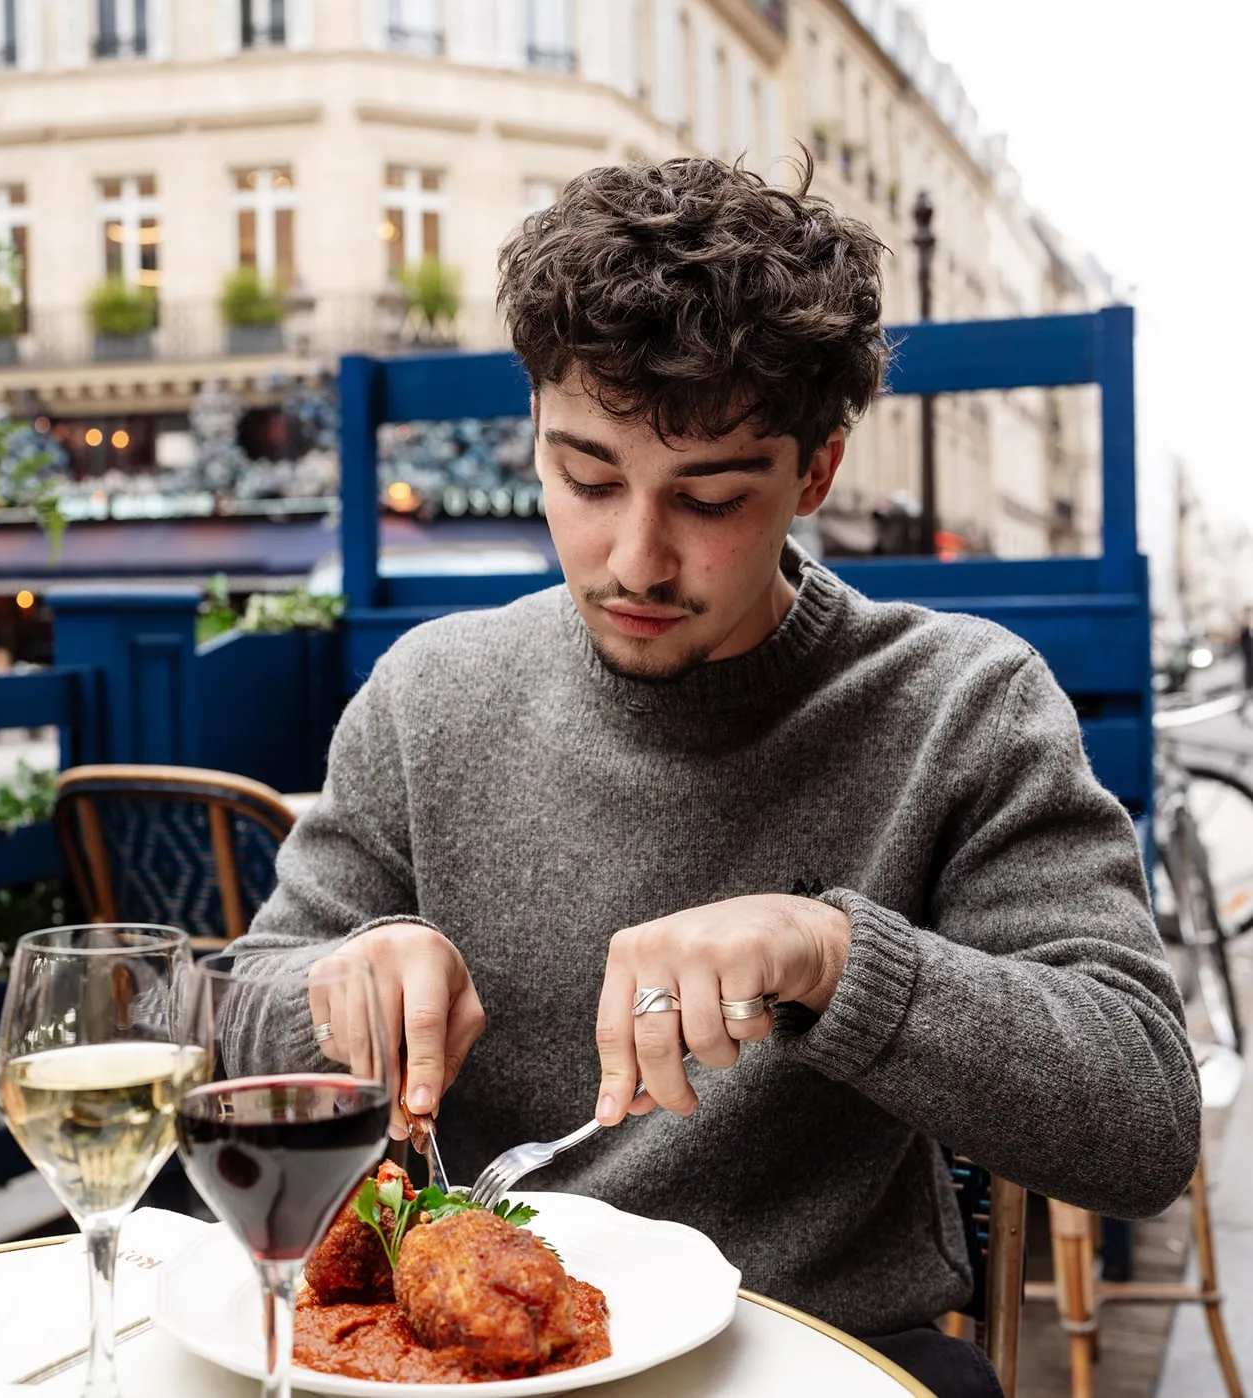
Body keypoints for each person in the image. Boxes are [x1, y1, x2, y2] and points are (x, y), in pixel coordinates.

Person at [228, 154, 1200, 1398]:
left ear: (815, 473)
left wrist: (836, 958)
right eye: (584, 479)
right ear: (533, 436)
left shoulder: (962, 702)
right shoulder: (429, 693)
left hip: (822, 1350)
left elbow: (1139, 1123)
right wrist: (330, 988)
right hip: (467, 1362)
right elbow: (233, 1013)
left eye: (712, 497)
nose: (633, 557)